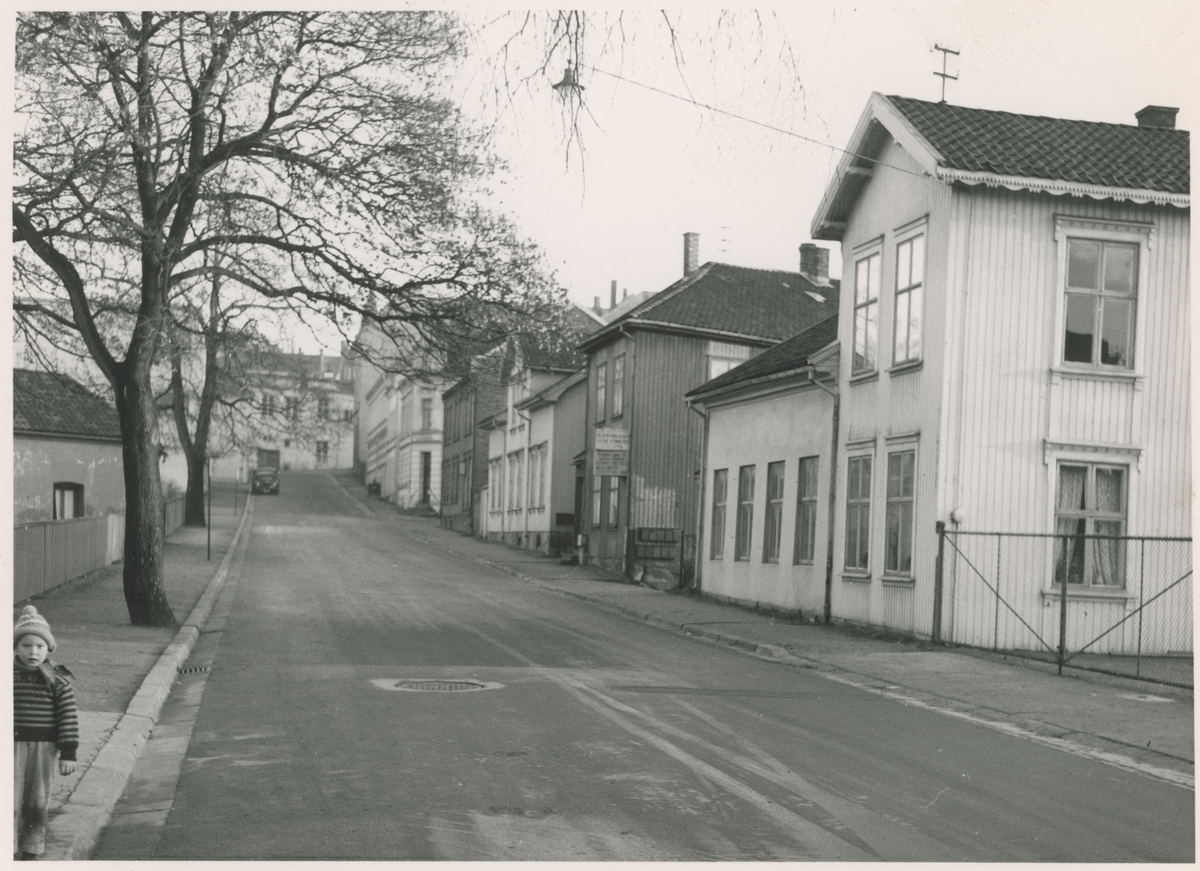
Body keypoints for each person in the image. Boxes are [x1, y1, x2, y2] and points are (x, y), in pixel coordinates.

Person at [13, 605, 78, 861]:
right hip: (11, 747)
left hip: (44, 749)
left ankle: (32, 846)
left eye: (39, 646)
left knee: (37, 798)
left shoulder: (57, 680)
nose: (33, 652)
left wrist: (68, 752)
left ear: (48, 648)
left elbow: (68, 717)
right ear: (16, 647)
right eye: (26, 645)